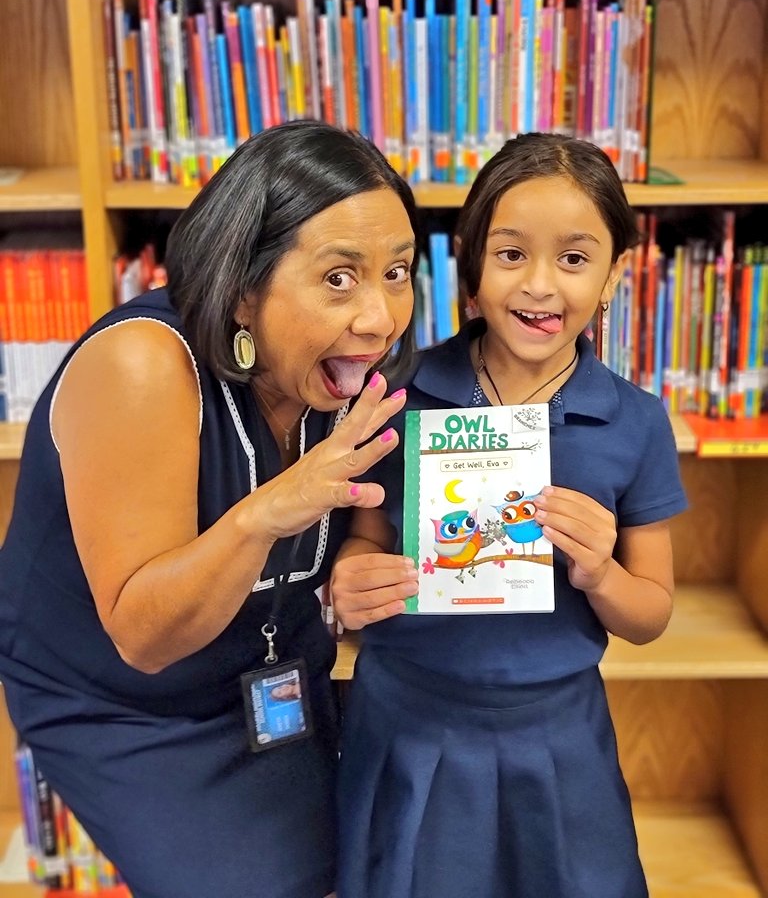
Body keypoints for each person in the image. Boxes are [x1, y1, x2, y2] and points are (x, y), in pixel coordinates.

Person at [0, 121, 417, 898]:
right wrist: (267, 513)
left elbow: (369, 508)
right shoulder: (143, 366)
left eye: (398, 272)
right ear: (244, 288)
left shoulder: (350, 363)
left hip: (274, 664)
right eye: (338, 278)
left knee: (402, 848)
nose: (379, 317)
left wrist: (360, 554)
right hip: (125, 701)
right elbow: (145, 637)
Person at [331, 132, 688, 898]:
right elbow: (365, 534)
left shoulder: (636, 422)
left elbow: (650, 612)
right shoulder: (399, 390)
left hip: (556, 735)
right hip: (406, 719)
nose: (539, 286)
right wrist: (350, 579)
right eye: (511, 254)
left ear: (613, 278)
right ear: (468, 267)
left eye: (574, 258)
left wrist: (600, 572)